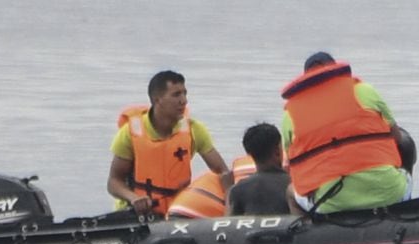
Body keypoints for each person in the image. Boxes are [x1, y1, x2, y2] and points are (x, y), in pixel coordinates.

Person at [280, 52, 412, 214]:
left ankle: (306, 235)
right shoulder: (364, 91)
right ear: (335, 70)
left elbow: (290, 166)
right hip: (388, 194)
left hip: (330, 204)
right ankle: (403, 221)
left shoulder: (290, 114)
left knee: (290, 191)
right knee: (406, 163)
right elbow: (397, 138)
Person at [107, 70, 232, 217]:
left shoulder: (194, 130)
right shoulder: (130, 133)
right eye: (176, 95)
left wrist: (230, 211)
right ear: (157, 99)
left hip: (177, 212)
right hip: (136, 212)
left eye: (185, 93)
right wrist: (134, 198)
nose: (184, 100)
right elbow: (114, 182)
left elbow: (223, 172)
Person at [227, 123, 292, 215]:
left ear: (249, 153)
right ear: (277, 152)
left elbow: (231, 224)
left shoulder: (239, 189)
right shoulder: (294, 185)